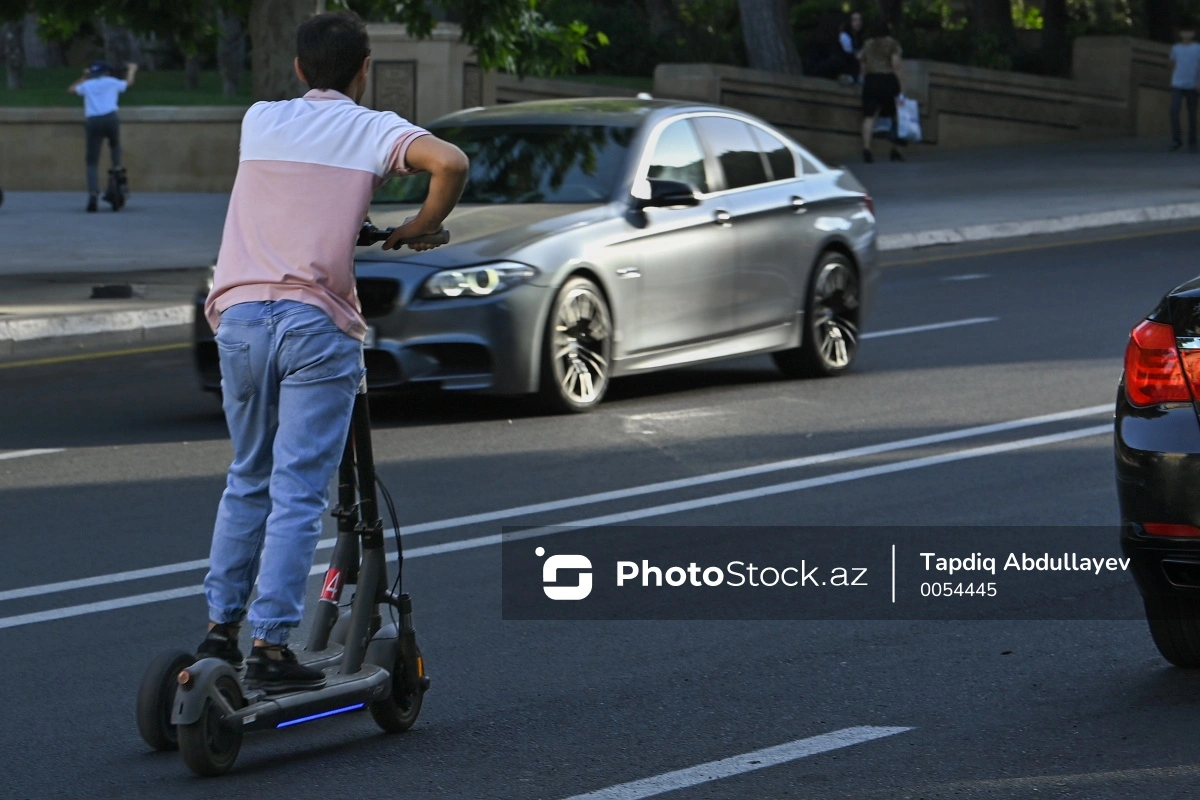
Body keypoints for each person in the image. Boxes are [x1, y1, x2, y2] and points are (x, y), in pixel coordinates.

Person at [197, 11, 468, 692]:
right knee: (297, 491)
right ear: (363, 69)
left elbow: (296, 201)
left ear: (297, 70)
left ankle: (219, 631)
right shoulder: (372, 127)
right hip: (315, 324)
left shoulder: (258, 120)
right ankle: (270, 644)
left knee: (248, 476)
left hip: (237, 320)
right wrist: (416, 226)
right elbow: (451, 163)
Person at [68, 61, 138, 212]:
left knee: (92, 162)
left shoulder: (88, 85)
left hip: (93, 121)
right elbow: (129, 84)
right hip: (110, 118)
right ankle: (117, 170)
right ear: (107, 72)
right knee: (114, 145)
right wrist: (132, 70)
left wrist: (83, 77)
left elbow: (71, 90)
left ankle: (93, 193)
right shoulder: (112, 82)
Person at [858, 20, 906, 163]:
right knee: (896, 115)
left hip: (871, 80)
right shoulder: (892, 44)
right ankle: (895, 150)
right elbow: (896, 65)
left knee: (869, 116)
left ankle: (867, 148)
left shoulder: (868, 44)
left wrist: (865, 76)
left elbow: (863, 63)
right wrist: (902, 86)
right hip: (888, 80)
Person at [1170, 22, 1200, 152]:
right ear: (1180, 33)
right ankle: (1177, 140)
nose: (1186, 34)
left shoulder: (1198, 48)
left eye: (1189, 31)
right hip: (1177, 83)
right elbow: (1172, 63)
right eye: (1184, 31)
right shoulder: (1176, 48)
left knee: (1192, 113)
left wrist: (1199, 81)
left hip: (1192, 84)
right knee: (1174, 111)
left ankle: (1192, 141)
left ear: (1193, 33)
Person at [837, 11, 865, 84]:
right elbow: (848, 53)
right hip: (846, 63)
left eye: (859, 20)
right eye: (855, 20)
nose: (858, 22)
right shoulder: (844, 36)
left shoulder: (860, 38)